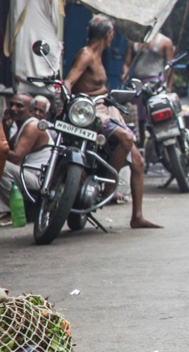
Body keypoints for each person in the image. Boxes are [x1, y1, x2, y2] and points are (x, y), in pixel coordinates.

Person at [64, 15, 160, 229]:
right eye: (112, 35)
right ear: (107, 35)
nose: (112, 39)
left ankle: (137, 217)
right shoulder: (86, 54)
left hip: (109, 109)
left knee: (138, 162)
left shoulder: (98, 56)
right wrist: (61, 98)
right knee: (126, 139)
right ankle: (107, 188)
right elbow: (69, 81)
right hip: (93, 111)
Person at [0, 93, 50, 217]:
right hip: (25, 175)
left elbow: (15, 156)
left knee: (2, 166)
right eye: (12, 105)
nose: (13, 109)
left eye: (19, 106)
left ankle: (9, 211)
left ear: (30, 111)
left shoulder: (33, 126)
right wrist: (5, 125)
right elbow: (6, 148)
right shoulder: (20, 126)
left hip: (38, 180)